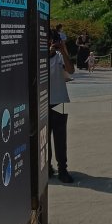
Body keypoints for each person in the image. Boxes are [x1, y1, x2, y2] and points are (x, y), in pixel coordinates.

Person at [48, 37, 74, 183]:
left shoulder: (59, 57)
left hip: (60, 102)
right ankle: (47, 167)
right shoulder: (37, 57)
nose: (52, 45)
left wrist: (63, 51)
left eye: (53, 42)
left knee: (60, 138)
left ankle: (62, 169)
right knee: (43, 137)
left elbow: (71, 70)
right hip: (43, 103)